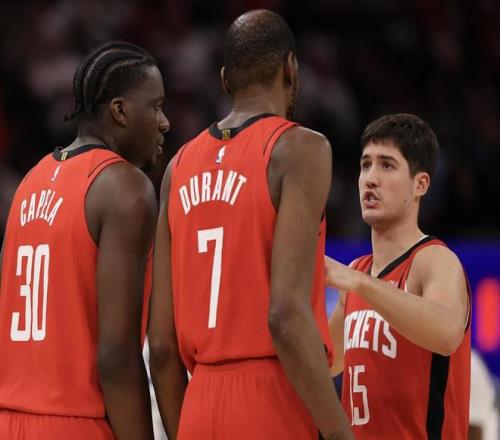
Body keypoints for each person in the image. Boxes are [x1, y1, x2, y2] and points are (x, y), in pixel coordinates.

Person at [148, 9, 352, 440]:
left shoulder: (177, 167)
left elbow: (161, 348)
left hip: (200, 401)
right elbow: (285, 315)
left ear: (225, 80)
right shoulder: (300, 148)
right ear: (291, 69)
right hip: (273, 398)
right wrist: (339, 433)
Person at [0, 41, 169, 439]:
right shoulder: (124, 187)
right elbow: (116, 356)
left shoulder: (30, 182)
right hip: (74, 420)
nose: (164, 122)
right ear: (120, 111)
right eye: (156, 106)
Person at [326, 113, 471, 439]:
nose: (370, 179)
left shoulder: (434, 260)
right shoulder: (357, 272)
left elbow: (448, 332)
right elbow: (325, 364)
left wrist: (362, 284)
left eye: (387, 165)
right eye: (365, 165)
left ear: (421, 184)